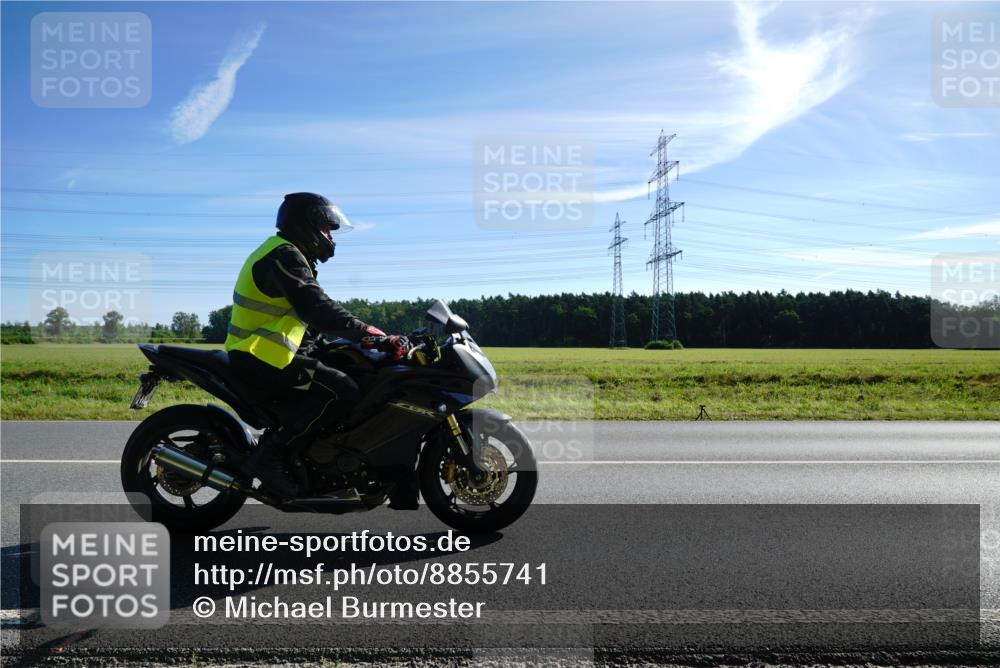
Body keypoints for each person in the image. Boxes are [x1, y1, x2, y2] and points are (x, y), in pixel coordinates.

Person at [225, 192, 409, 498]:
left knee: (348, 367)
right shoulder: (283, 255)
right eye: (325, 228)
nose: (329, 236)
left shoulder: (289, 255)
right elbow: (316, 308)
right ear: (305, 225)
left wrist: (352, 343)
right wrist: (369, 334)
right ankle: (269, 456)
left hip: (275, 355)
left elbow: (304, 322)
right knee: (342, 390)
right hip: (260, 357)